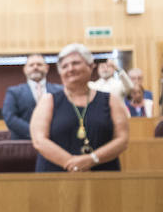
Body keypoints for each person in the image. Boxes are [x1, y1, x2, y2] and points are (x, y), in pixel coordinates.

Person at [31, 42, 130, 172]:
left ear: (91, 66)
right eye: (64, 66)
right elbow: (39, 140)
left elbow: (122, 138)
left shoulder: (111, 100)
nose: (70, 69)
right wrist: (73, 164)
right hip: (56, 175)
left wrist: (92, 159)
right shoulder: (48, 100)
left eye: (76, 63)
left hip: (102, 173)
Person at [2, 54, 59, 138]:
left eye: (39, 64)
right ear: (25, 69)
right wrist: (36, 132)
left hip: (55, 140)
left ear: (47, 68)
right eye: (31, 65)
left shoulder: (60, 91)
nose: (35, 67)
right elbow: (10, 118)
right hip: (23, 143)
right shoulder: (13, 92)